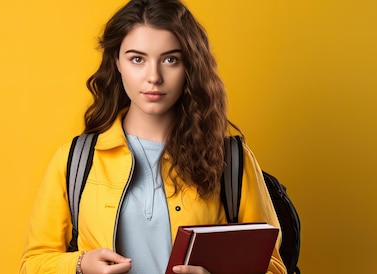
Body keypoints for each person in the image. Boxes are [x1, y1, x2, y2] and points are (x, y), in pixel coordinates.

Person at [20, 0, 286, 273]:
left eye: (171, 60)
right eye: (137, 59)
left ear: (189, 66)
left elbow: (273, 265)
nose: (154, 77)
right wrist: (79, 264)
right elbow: (32, 263)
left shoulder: (231, 159)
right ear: (117, 62)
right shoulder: (74, 159)